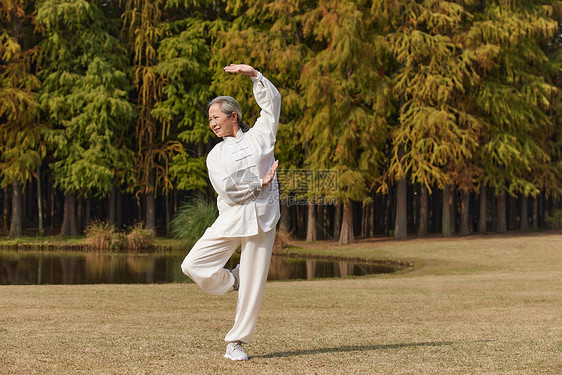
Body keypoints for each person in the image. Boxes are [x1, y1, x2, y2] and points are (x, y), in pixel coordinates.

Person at [181, 64, 281, 361]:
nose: (212, 123)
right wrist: (257, 182)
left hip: (263, 218)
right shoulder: (216, 155)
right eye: (210, 119)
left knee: (254, 284)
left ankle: (235, 342)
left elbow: (272, 105)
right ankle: (231, 281)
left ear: (232, 116)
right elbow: (226, 188)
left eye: (216, 117)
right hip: (232, 218)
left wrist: (254, 75)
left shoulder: (262, 135)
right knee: (192, 265)